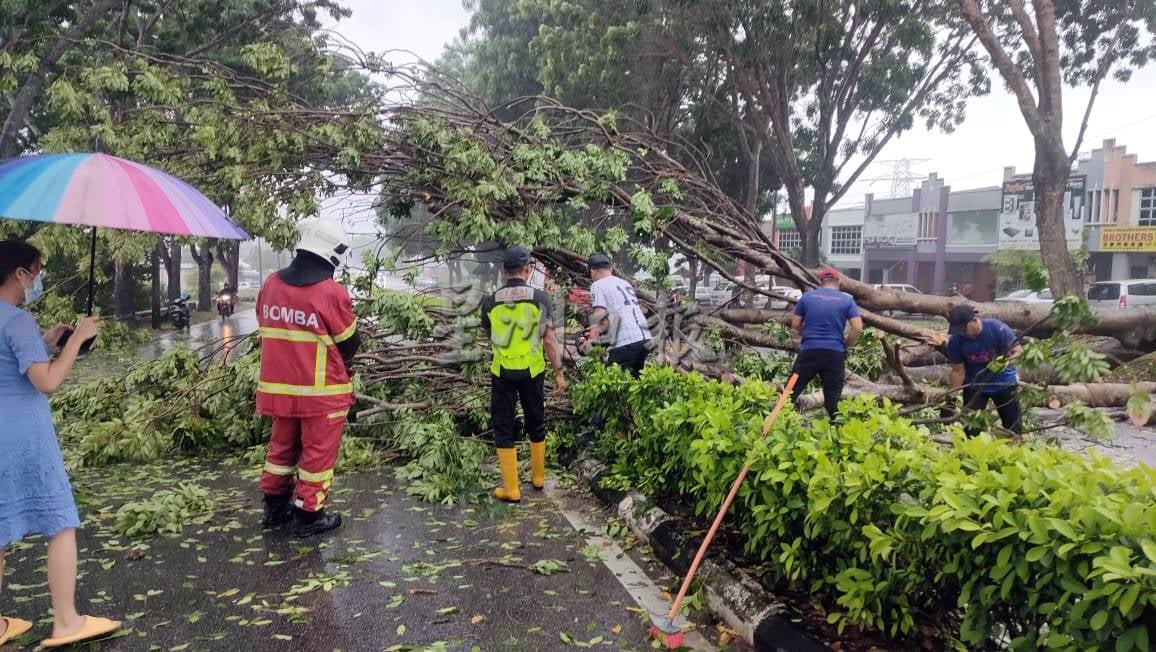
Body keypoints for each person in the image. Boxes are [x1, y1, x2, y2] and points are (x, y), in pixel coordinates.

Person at [0, 239, 120, 648]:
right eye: (36, 269)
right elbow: (46, 382)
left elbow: (11, 363)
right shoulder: (15, 321)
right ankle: (67, 621)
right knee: (60, 521)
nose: (38, 278)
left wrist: (47, 340)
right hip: (24, 439)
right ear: (19, 274)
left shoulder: (12, 322)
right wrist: (76, 339)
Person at [255, 217, 361, 537]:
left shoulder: (271, 284)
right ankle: (309, 516)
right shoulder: (331, 293)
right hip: (321, 392)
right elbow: (350, 342)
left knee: (281, 449)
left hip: (278, 390)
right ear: (332, 254)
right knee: (317, 455)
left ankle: (275, 509)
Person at [480, 246, 566, 503]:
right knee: (536, 421)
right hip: (532, 371)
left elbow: (489, 335)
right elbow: (549, 340)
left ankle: (511, 489)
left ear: (504, 272)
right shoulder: (540, 298)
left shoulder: (490, 301)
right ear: (527, 270)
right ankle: (538, 478)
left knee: (503, 426)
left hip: (503, 372)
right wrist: (559, 373)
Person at [789, 268, 863, 419]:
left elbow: (795, 326)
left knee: (791, 390)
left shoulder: (807, 297)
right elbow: (857, 328)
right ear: (839, 282)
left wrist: (808, 335)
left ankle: (774, 424)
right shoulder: (847, 300)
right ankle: (835, 434)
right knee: (833, 397)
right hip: (834, 354)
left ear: (820, 282)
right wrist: (845, 346)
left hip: (809, 351)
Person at [945, 305, 1023, 435]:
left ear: (974, 320)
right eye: (959, 331)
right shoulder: (956, 341)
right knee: (971, 428)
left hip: (1004, 383)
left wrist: (1004, 362)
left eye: (964, 329)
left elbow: (1018, 352)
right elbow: (958, 371)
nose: (963, 333)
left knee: (1013, 427)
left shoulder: (997, 329)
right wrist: (951, 398)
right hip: (975, 386)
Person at [584, 253, 652, 377]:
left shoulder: (597, 285)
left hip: (626, 342)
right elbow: (606, 323)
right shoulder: (624, 283)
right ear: (610, 269)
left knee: (612, 381)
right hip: (644, 338)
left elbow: (599, 315)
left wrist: (592, 341)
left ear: (592, 271)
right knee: (634, 380)